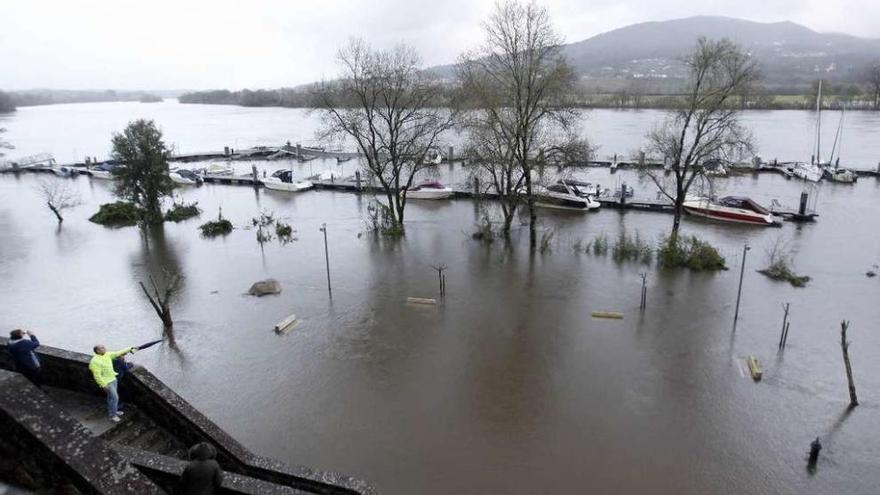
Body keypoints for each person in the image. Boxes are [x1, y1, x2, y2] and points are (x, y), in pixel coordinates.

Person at [89, 344, 137, 422]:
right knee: (115, 398)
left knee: (110, 398)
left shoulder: (107, 355)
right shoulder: (94, 361)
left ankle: (114, 411)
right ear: (97, 351)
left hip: (113, 379)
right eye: (102, 348)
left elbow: (118, 353)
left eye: (104, 347)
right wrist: (103, 385)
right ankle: (112, 415)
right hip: (107, 382)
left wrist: (130, 348)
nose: (105, 348)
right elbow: (97, 375)